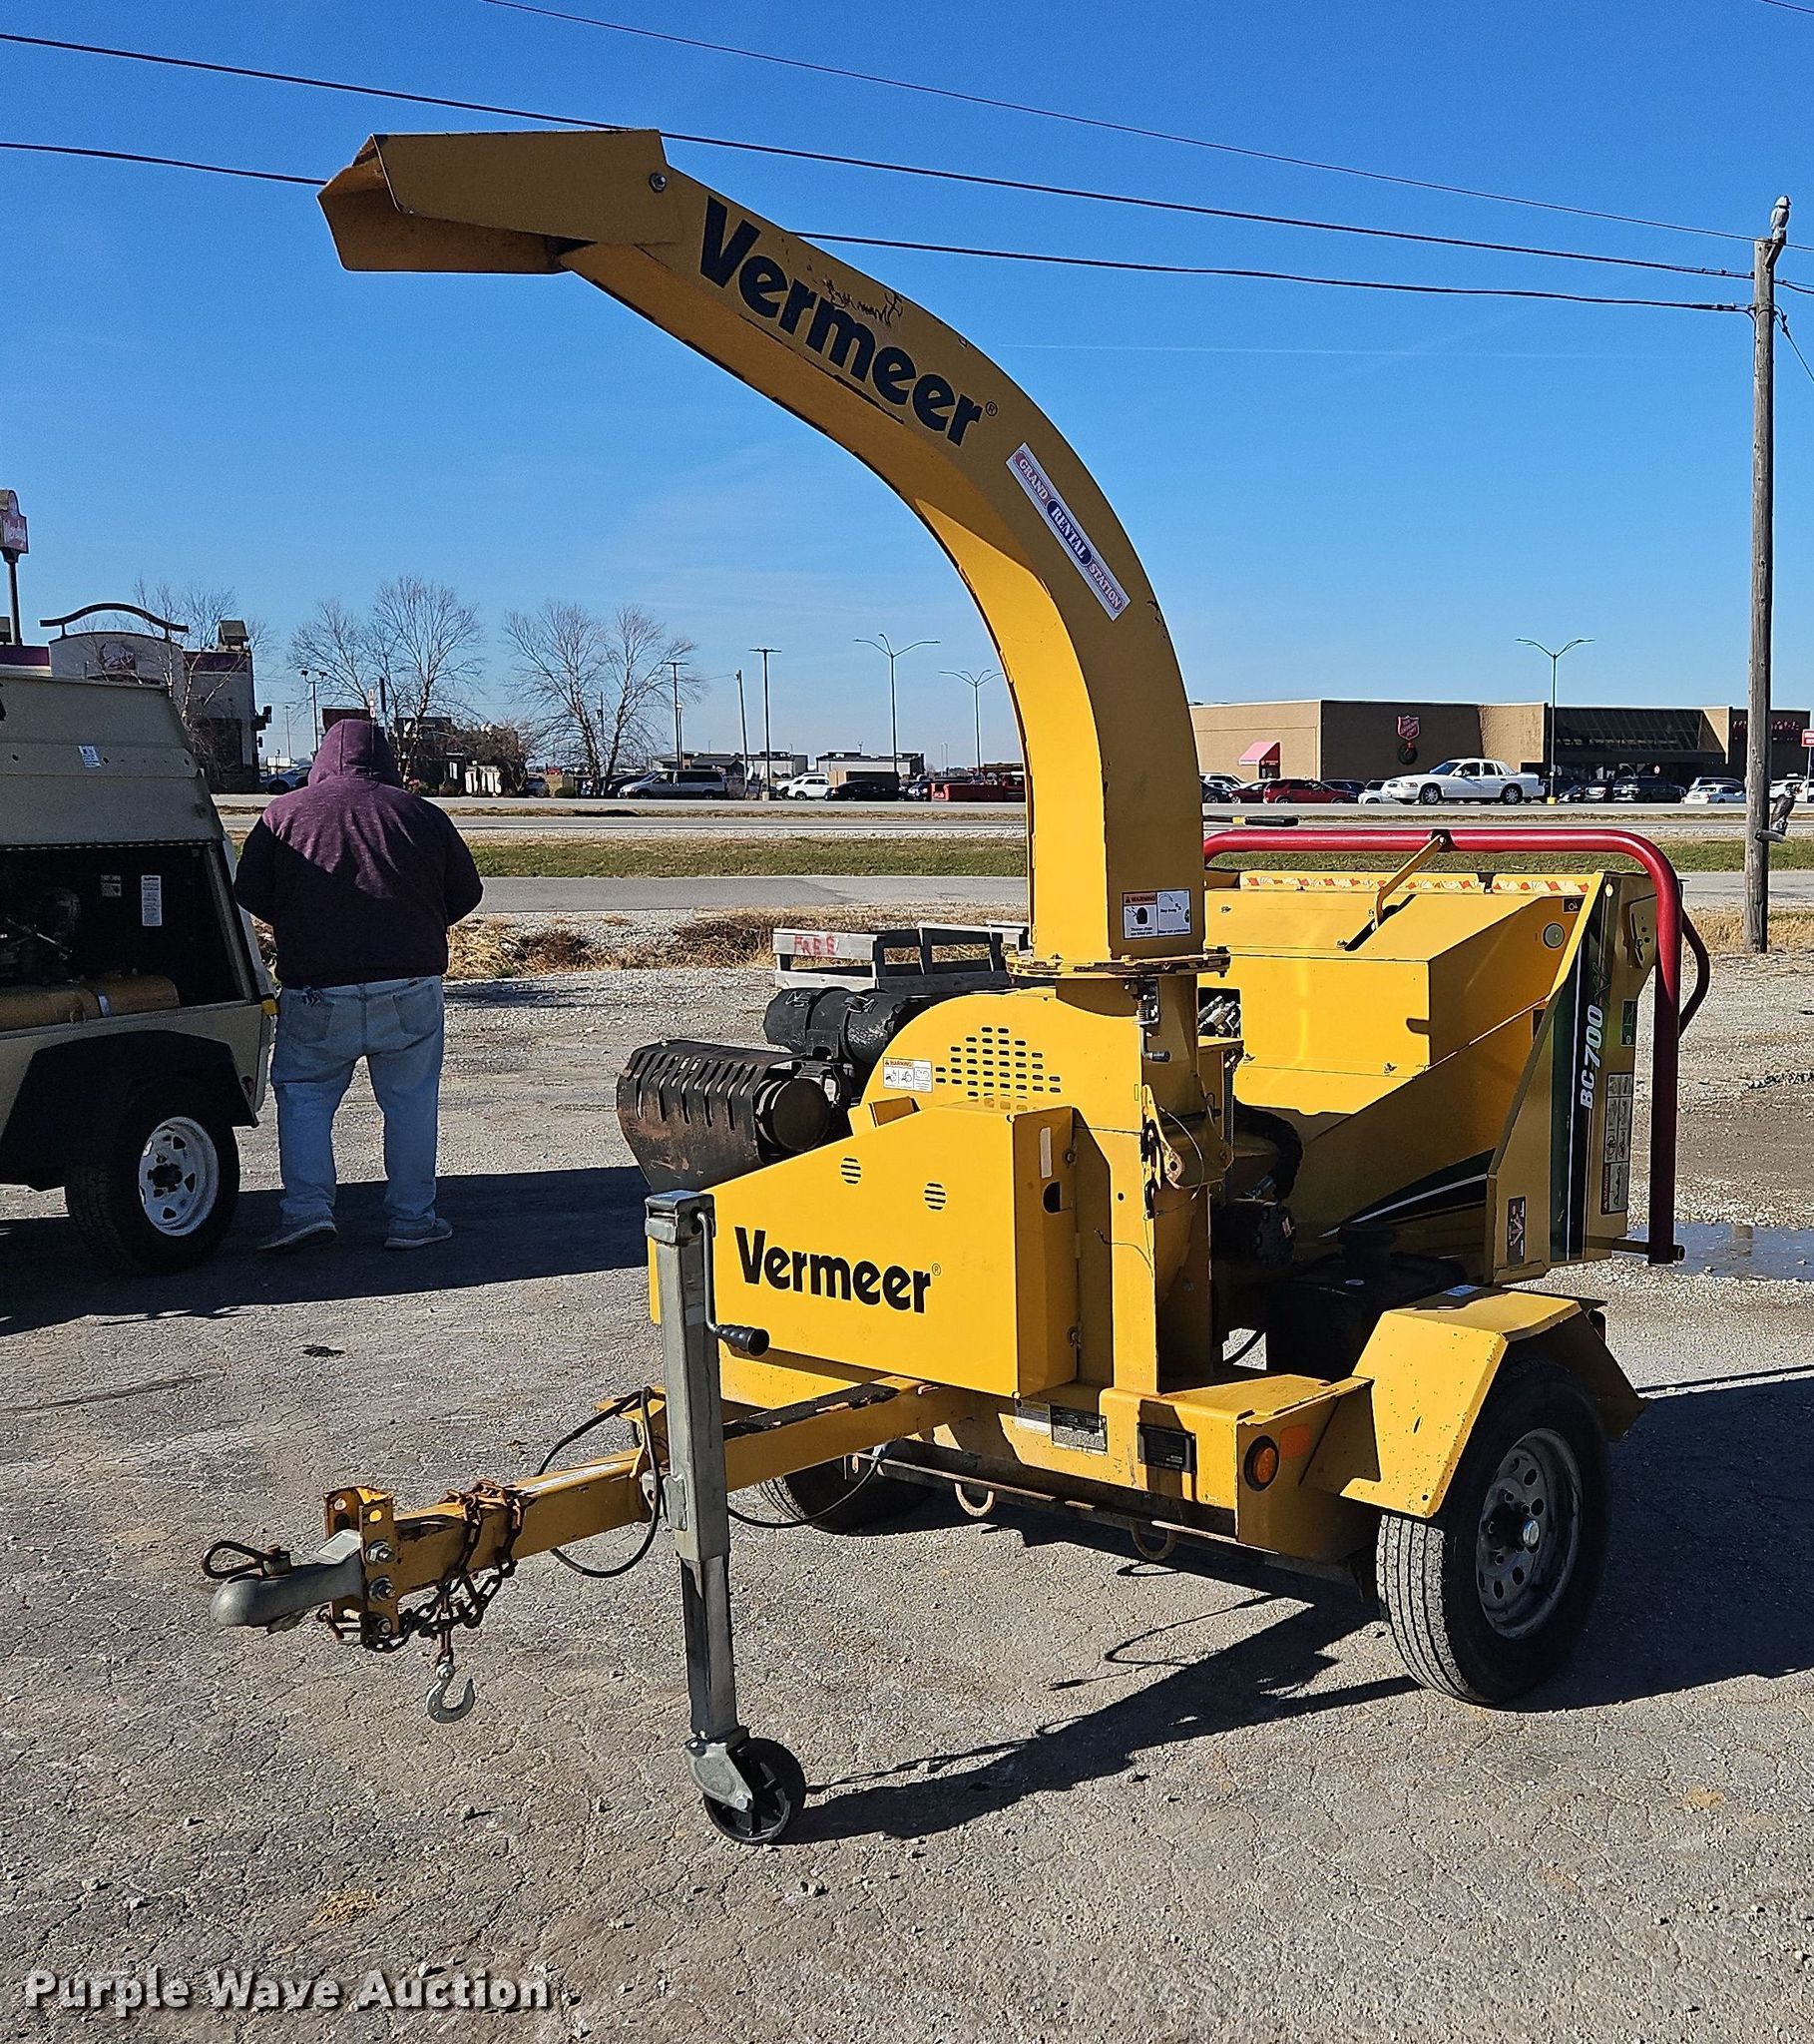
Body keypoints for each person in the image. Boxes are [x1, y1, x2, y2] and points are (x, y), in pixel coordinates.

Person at [233, 718, 483, 1254]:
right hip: (410, 983)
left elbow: (248, 890)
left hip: (316, 987)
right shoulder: (422, 814)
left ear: (322, 760)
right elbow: (466, 893)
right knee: (411, 1103)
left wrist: (300, 922)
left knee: (304, 1098)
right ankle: (413, 1220)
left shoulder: (282, 815)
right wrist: (417, 924)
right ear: (385, 760)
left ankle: (306, 1211)